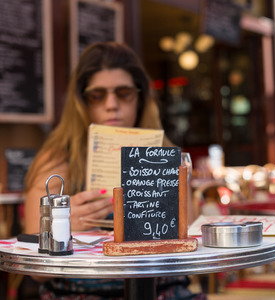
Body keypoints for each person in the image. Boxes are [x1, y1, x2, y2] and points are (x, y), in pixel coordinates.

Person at [24, 42, 205, 300]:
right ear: (81, 103)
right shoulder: (56, 162)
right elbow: (36, 271)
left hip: (163, 292)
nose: (111, 104)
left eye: (124, 93)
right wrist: (61, 232)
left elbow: (192, 249)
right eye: (97, 95)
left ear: (141, 98)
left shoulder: (168, 158)